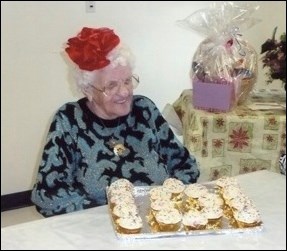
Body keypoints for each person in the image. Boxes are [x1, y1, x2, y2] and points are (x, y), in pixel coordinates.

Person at [31, 27, 200, 217]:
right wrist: (116, 211)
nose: (124, 92)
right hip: (101, 229)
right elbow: (48, 196)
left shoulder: (144, 109)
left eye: (127, 81)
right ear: (88, 90)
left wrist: (166, 200)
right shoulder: (69, 120)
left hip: (159, 219)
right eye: (111, 85)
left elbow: (186, 166)